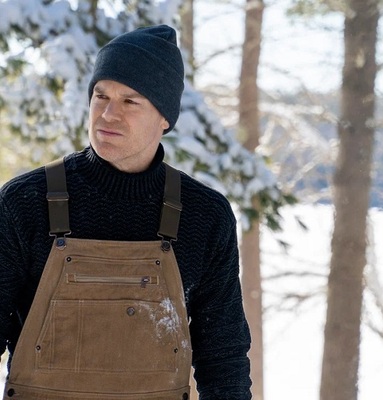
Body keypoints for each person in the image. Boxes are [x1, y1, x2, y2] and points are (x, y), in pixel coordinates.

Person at [0, 25, 252, 400]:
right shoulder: (25, 201)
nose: (107, 114)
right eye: (100, 96)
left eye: (130, 102)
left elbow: (224, 358)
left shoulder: (204, 215)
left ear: (165, 117)